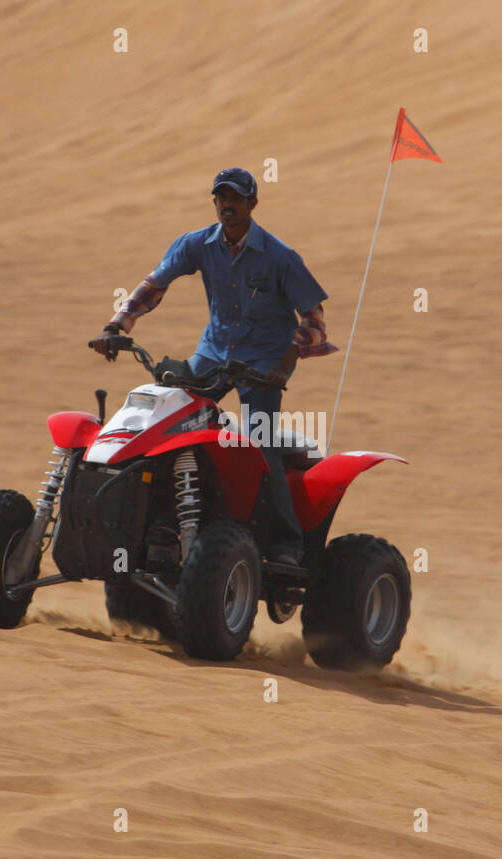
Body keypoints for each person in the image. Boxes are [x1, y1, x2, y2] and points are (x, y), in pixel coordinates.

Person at [91, 167, 336, 569]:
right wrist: (117, 325)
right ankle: (167, 524)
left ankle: (287, 544)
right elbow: (154, 285)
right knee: (171, 425)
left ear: (253, 204)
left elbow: (314, 319)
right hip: (213, 353)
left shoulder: (279, 257)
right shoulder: (198, 244)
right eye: (221, 197)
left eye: (236, 198)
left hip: (262, 363)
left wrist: (285, 363)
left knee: (261, 443)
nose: (227, 204)